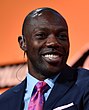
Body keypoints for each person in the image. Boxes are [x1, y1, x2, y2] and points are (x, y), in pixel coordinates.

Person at [0, 7, 89, 110]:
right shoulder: (4, 102)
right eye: (41, 35)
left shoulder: (85, 84)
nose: (53, 42)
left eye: (61, 36)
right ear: (23, 43)